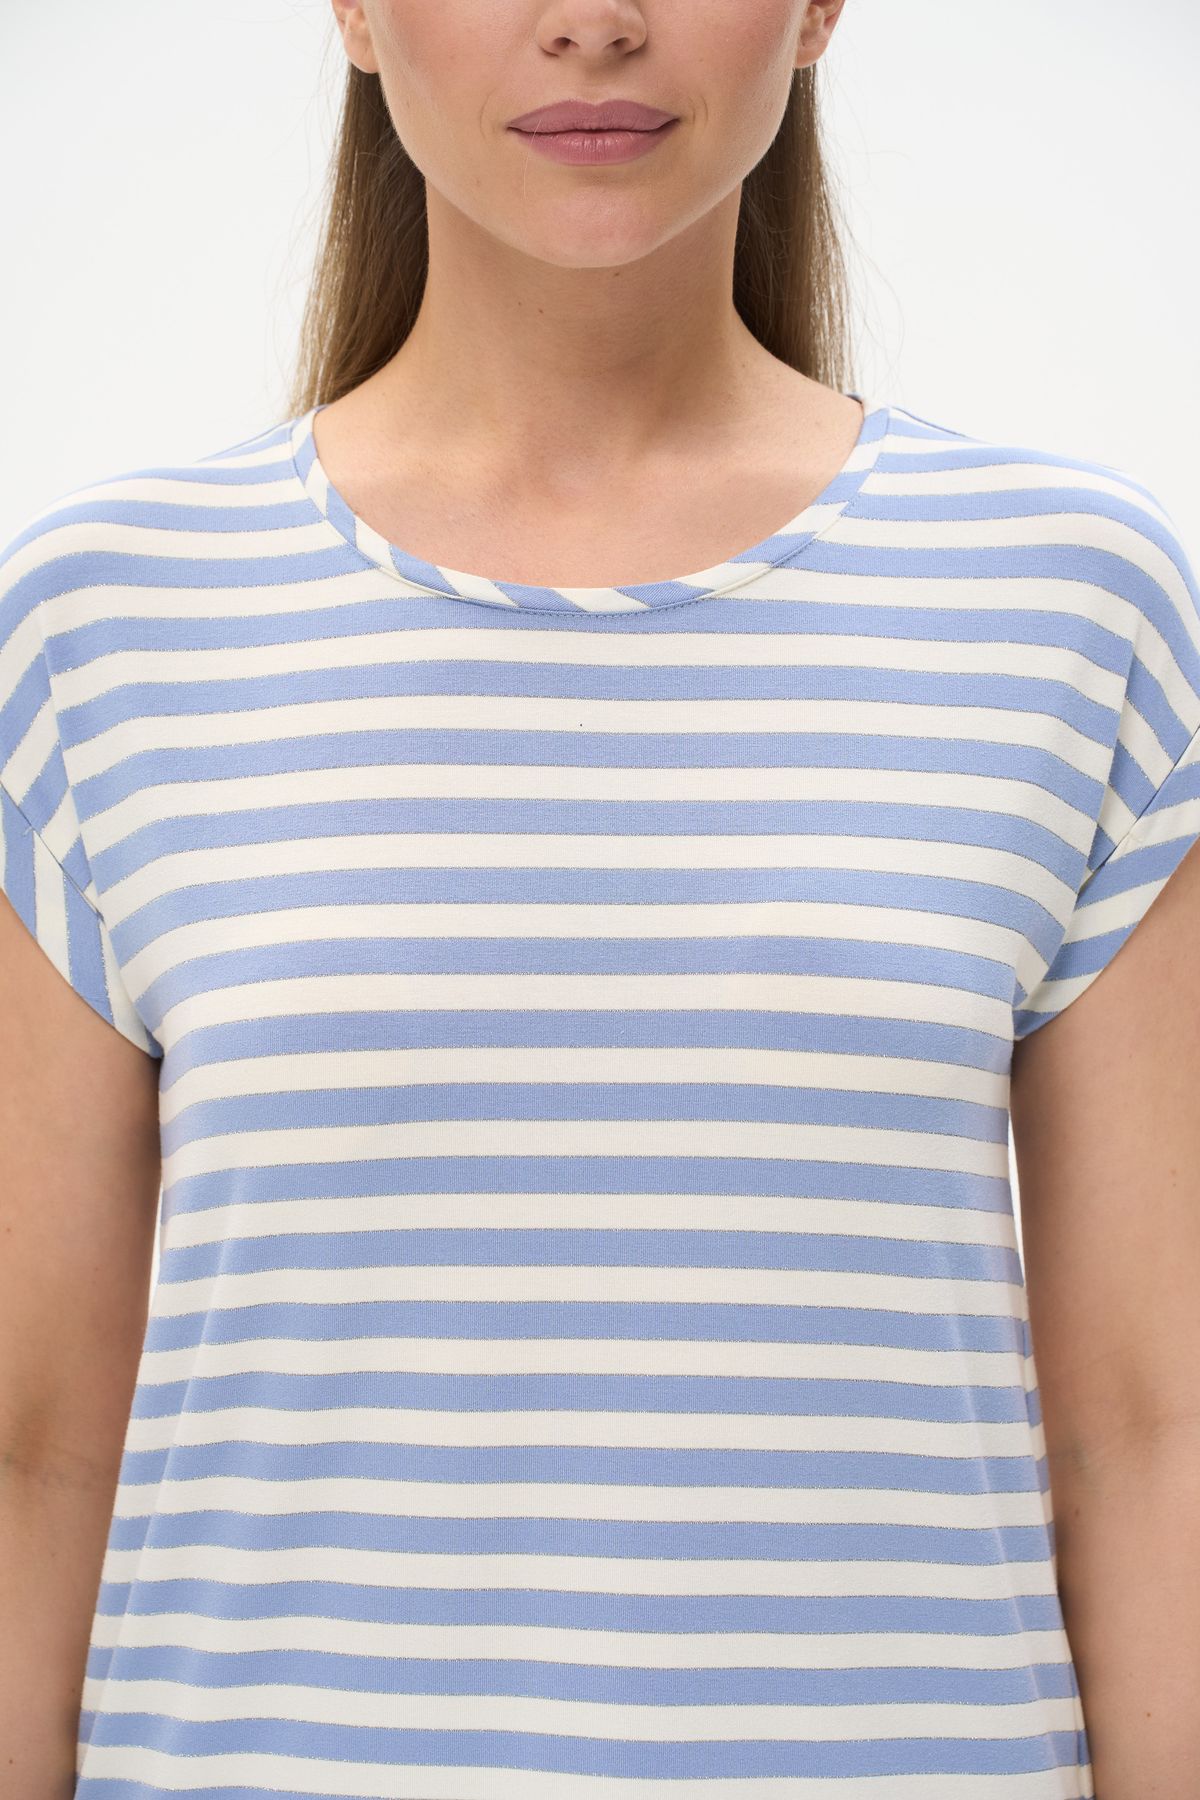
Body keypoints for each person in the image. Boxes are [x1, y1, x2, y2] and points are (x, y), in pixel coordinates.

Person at [2, 2, 1197, 1796]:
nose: (593, 23)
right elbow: (30, 1453)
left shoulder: (1071, 604)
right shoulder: (104, 625)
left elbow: (1151, 1430)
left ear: (818, 8)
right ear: (353, 7)